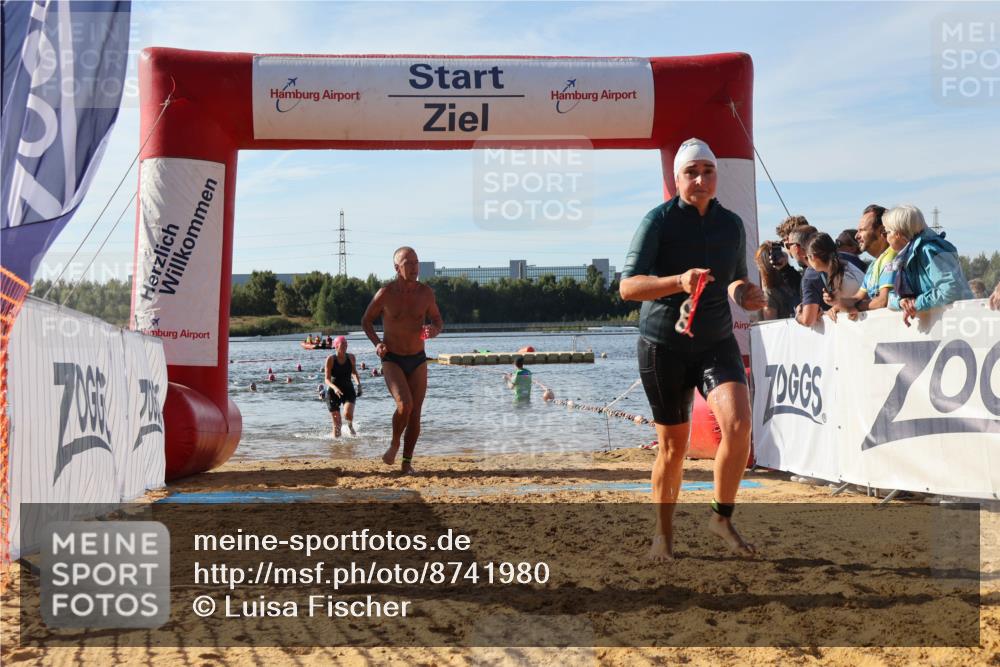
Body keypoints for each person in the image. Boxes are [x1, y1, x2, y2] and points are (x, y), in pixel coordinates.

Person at [619, 137, 766, 560]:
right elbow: (628, 287)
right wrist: (678, 282)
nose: (701, 179)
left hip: (715, 341)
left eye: (708, 171)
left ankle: (721, 517)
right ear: (676, 178)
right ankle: (662, 536)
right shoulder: (659, 222)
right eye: (691, 172)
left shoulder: (731, 224)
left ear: (716, 176)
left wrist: (746, 295)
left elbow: (734, 279)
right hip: (663, 345)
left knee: (738, 425)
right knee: (673, 448)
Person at [362, 246, 444, 474]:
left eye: (416, 262)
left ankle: (406, 463)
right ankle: (394, 442)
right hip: (393, 359)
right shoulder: (385, 294)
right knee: (404, 405)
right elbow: (366, 321)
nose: (415, 267)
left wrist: (433, 330)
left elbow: (438, 321)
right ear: (396, 268)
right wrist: (377, 343)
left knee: (415, 412)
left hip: (418, 359)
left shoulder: (426, 293)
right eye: (409, 263)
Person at [883, 204, 973, 326]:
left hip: (960, 323)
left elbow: (951, 289)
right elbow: (891, 298)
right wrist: (902, 302)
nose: (885, 238)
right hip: (941, 326)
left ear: (898, 233)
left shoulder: (929, 250)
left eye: (887, 232)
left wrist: (916, 304)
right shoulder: (906, 257)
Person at [790, 225, 867, 326]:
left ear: (813, 257)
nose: (807, 261)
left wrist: (798, 315)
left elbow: (808, 320)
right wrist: (835, 307)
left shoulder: (820, 275)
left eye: (808, 257)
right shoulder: (848, 264)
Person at [324, 335, 362, 437]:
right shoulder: (330, 359)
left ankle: (350, 426)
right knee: (337, 425)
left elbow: (354, 372)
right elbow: (326, 380)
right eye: (342, 344)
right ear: (336, 346)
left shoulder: (351, 357)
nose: (345, 346)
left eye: (346, 344)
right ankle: (337, 448)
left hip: (348, 389)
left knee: (347, 414)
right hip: (333, 392)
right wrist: (335, 388)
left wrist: (358, 385)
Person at [754, 241, 799, 320]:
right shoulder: (769, 292)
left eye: (778, 250)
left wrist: (785, 267)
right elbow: (771, 325)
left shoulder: (790, 278)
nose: (779, 254)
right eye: (775, 253)